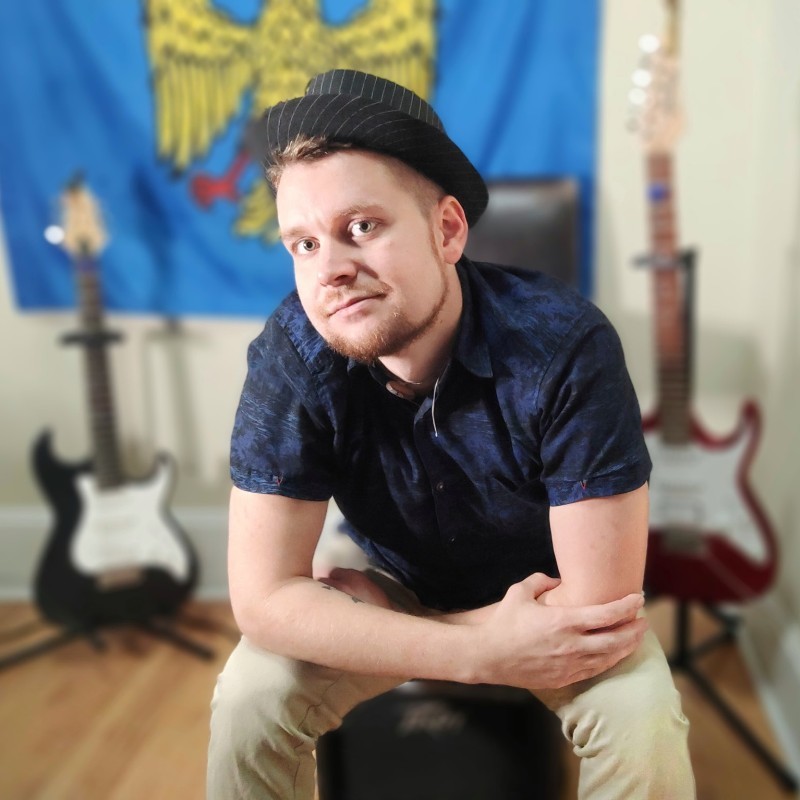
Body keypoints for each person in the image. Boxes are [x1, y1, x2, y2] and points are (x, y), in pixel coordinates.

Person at [208, 69, 696, 799]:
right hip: (396, 584)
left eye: (360, 228)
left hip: (555, 600)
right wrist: (476, 650)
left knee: (644, 722)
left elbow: (597, 600)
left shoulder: (564, 346)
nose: (331, 271)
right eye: (302, 244)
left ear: (447, 229)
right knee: (251, 698)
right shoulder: (293, 355)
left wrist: (452, 641)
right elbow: (263, 599)